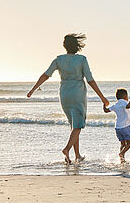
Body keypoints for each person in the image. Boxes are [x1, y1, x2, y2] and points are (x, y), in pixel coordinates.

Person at [27, 33, 108, 165]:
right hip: (78, 94)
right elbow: (90, 80)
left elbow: (46, 75)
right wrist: (102, 97)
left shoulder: (58, 60)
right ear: (77, 46)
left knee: (73, 125)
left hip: (64, 94)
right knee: (78, 125)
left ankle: (77, 155)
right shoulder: (82, 59)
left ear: (64, 46)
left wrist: (33, 89)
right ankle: (67, 149)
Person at [103, 88, 130, 163]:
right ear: (125, 96)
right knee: (129, 143)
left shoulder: (115, 105)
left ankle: (122, 159)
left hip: (117, 127)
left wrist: (104, 104)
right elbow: (129, 106)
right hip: (125, 126)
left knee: (122, 143)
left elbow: (106, 110)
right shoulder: (124, 102)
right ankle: (122, 153)